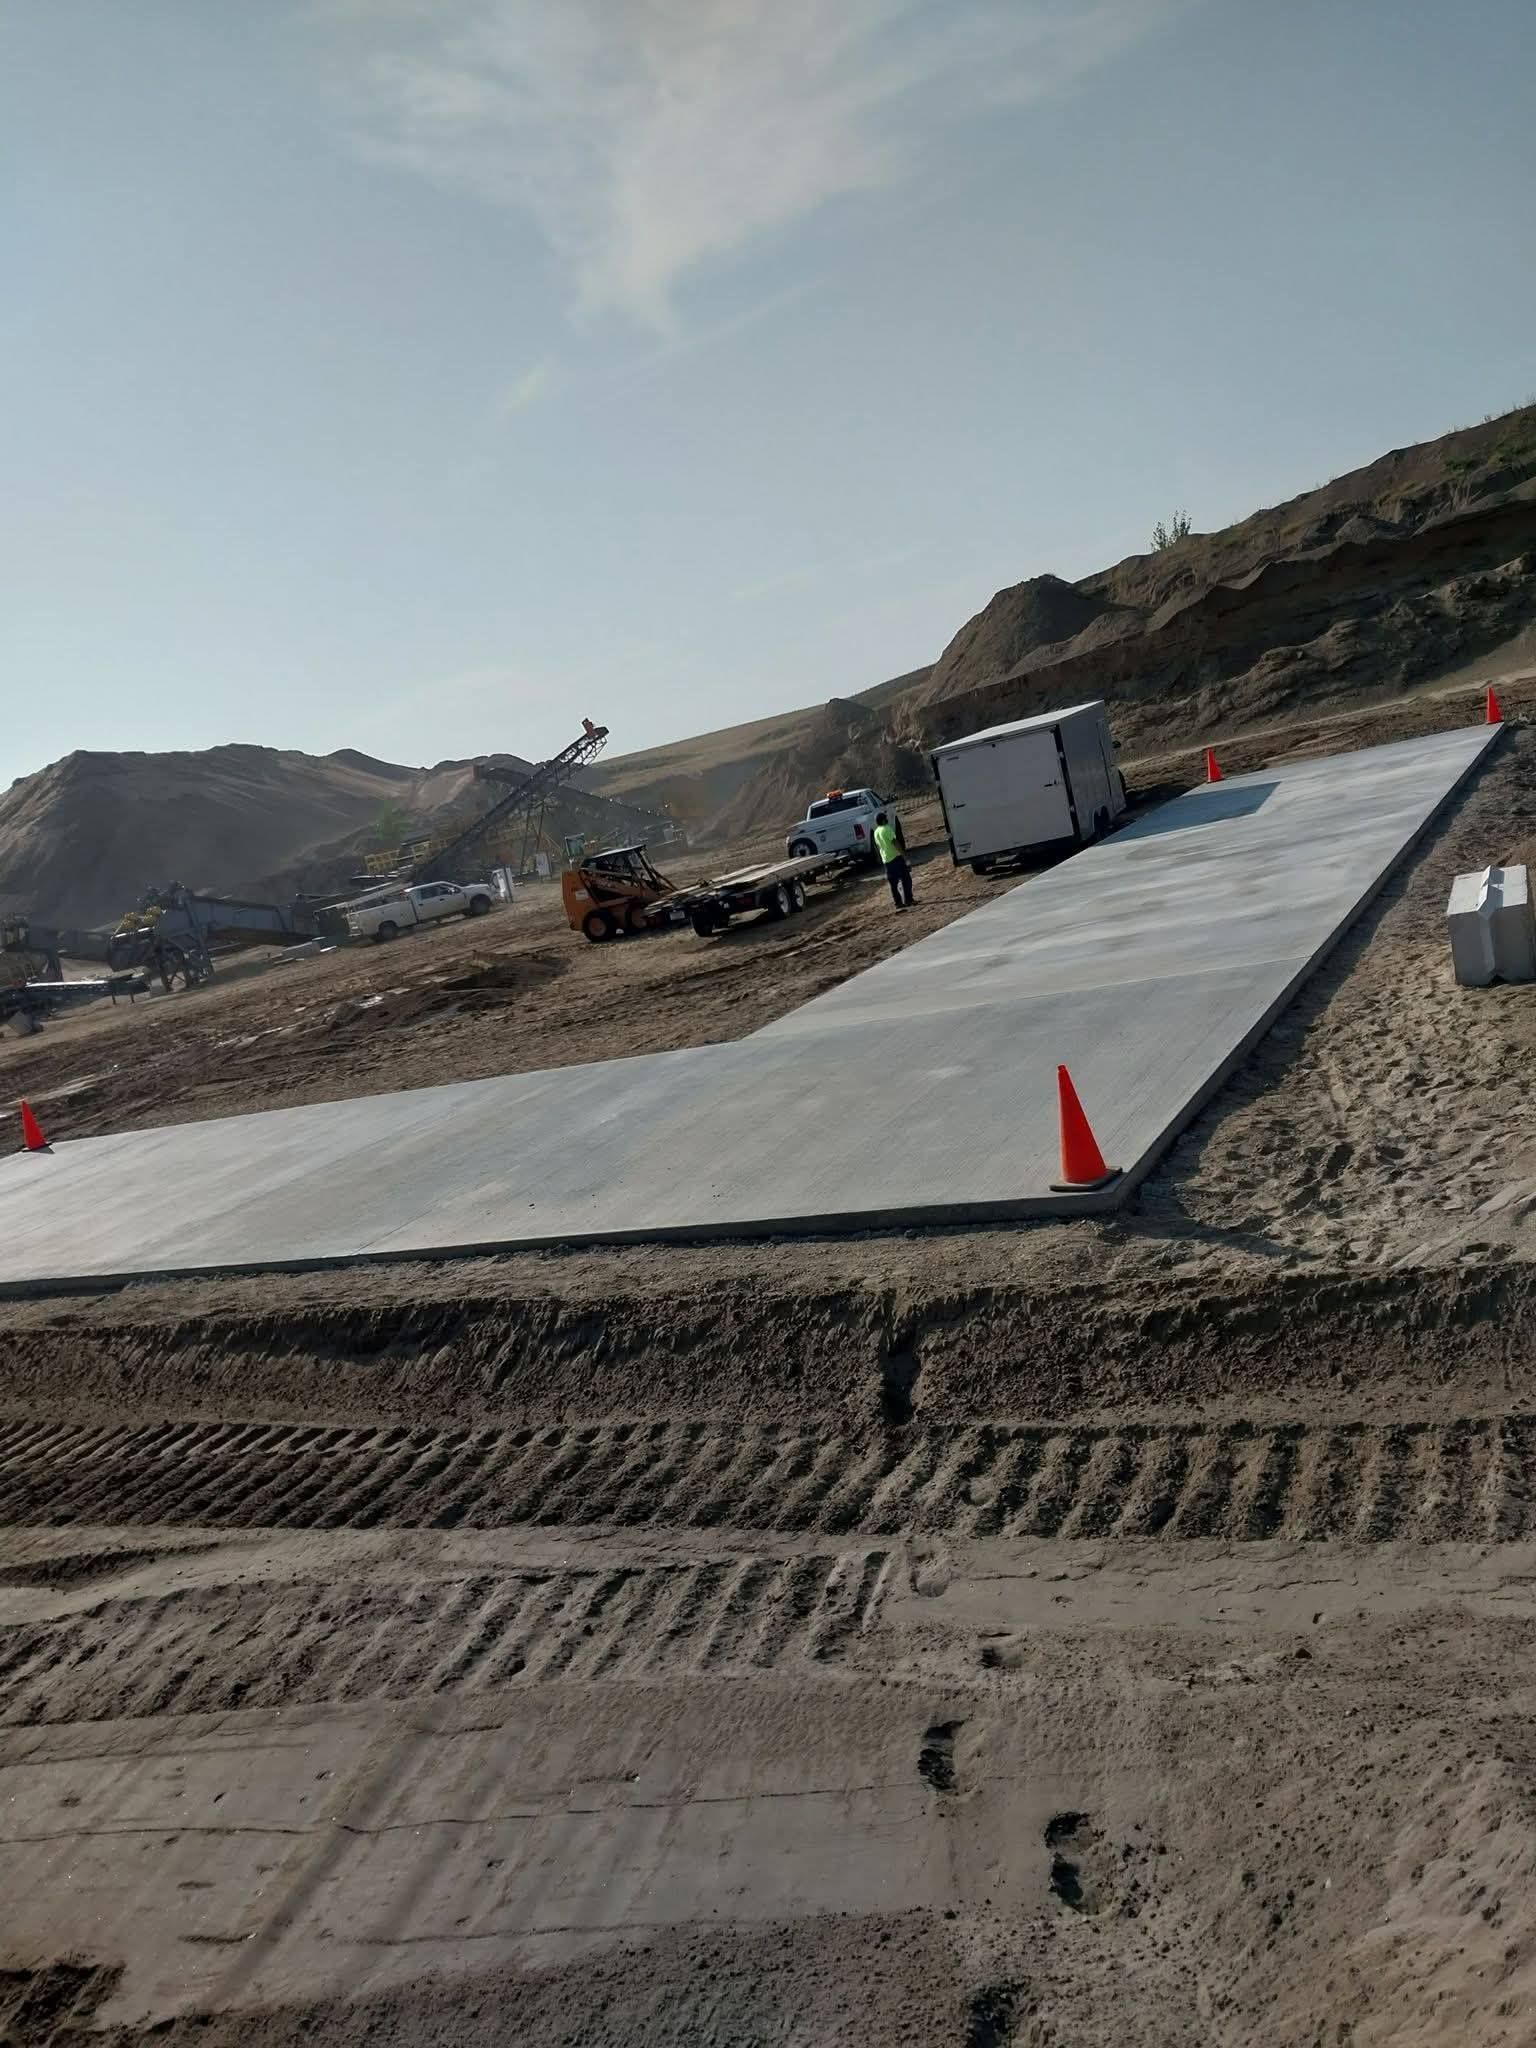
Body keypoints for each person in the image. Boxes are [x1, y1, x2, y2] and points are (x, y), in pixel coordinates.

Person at [873, 811, 914, 909]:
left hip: (886, 860)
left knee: (893, 884)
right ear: (883, 820)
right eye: (885, 818)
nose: (887, 819)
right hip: (895, 858)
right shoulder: (886, 829)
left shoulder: (876, 832)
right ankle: (908, 900)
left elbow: (879, 847)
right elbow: (895, 842)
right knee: (906, 879)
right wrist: (905, 856)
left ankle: (898, 903)